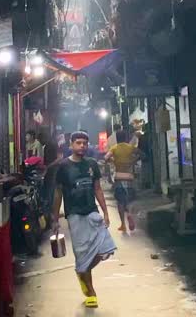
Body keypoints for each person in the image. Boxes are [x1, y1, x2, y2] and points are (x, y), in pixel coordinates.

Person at [52, 131, 116, 309]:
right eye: (78, 143)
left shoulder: (92, 164)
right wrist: (55, 218)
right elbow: (58, 193)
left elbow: (97, 189)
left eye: (85, 143)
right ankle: (90, 292)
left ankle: (82, 270)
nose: (82, 146)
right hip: (74, 215)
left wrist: (105, 212)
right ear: (71, 144)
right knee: (82, 254)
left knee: (106, 249)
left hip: (92, 212)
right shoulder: (63, 166)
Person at [105, 129, 141, 233]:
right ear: (126, 138)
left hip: (119, 177)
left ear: (117, 138)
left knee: (120, 201)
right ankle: (129, 214)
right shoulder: (130, 147)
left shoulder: (114, 148)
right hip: (129, 177)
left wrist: (113, 161)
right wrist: (133, 161)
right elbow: (142, 154)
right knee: (130, 199)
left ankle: (123, 224)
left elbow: (106, 157)